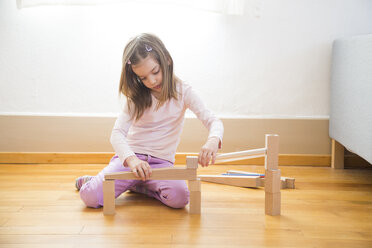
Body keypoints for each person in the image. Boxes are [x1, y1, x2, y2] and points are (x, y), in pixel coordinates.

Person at [75, 33, 224, 209]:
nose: (151, 81)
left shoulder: (184, 91)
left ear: (166, 60)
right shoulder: (137, 98)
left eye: (155, 72)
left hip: (162, 164)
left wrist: (213, 141)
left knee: (180, 198)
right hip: (132, 161)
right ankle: (95, 181)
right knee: (90, 198)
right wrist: (132, 160)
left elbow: (213, 120)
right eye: (143, 78)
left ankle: (139, 185)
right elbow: (117, 134)